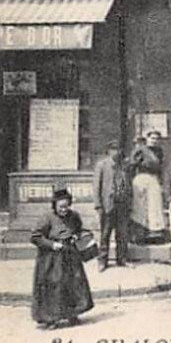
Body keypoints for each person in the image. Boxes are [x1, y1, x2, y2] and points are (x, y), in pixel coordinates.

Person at [31, 188, 94, 330]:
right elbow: (35, 237)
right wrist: (52, 244)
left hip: (70, 254)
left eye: (66, 206)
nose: (64, 210)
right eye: (61, 207)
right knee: (54, 285)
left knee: (74, 283)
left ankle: (73, 314)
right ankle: (51, 319)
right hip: (52, 258)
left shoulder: (74, 216)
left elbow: (79, 230)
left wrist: (78, 237)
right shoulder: (46, 218)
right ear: (54, 206)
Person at [92, 140, 133, 271]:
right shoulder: (102, 165)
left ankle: (122, 259)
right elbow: (96, 186)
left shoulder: (124, 165)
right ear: (109, 151)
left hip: (122, 205)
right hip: (108, 205)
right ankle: (102, 261)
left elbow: (129, 185)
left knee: (122, 234)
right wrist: (98, 205)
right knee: (105, 234)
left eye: (118, 149)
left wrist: (129, 203)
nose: (116, 152)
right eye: (113, 149)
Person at [130, 129, 166, 244]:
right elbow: (132, 164)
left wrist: (161, 181)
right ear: (147, 139)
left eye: (156, 139)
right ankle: (139, 235)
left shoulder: (159, 151)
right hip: (141, 178)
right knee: (140, 207)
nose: (154, 141)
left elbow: (160, 167)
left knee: (154, 207)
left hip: (153, 178)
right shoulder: (140, 150)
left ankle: (154, 235)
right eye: (152, 138)